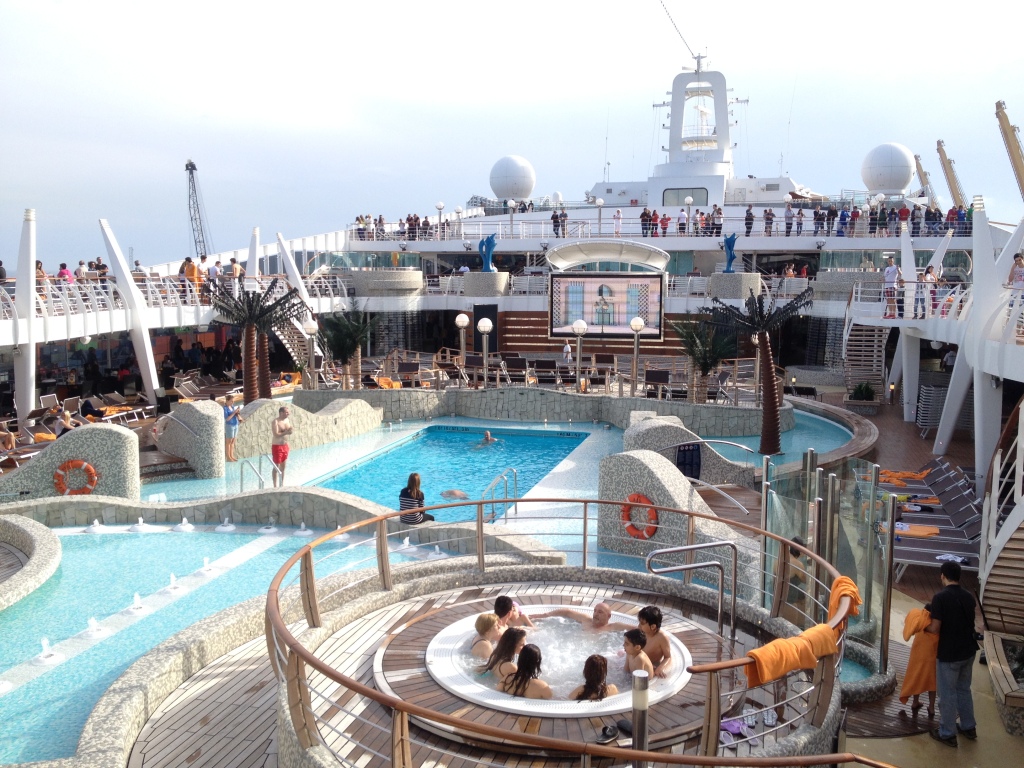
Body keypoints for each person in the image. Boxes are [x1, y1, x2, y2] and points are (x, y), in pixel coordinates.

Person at [926, 561, 978, 747]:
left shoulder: (940, 598)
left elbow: (935, 628)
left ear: (942, 576)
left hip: (950, 654)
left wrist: (921, 625)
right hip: (969, 651)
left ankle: (947, 733)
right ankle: (968, 727)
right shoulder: (968, 597)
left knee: (947, 694)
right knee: (964, 689)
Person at [899, 602, 937, 717]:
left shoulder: (920, 623)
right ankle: (931, 707)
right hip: (931, 658)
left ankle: (915, 702)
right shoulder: (935, 629)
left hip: (917, 656)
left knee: (917, 678)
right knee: (932, 683)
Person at [533, 602, 633, 632]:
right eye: (595, 611)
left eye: (600, 612)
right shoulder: (586, 620)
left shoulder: (613, 627)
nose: (595, 614)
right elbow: (566, 612)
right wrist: (544, 615)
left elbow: (638, 629)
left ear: (609, 616)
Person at [637, 605, 671, 678]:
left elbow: (668, 657)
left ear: (653, 627)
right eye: (639, 622)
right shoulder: (642, 632)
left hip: (651, 665)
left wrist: (660, 668)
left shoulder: (661, 638)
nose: (639, 625)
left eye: (642, 623)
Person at [271, 406, 292, 487]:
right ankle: (275, 486)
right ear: (281, 413)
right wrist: (286, 432)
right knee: (276, 466)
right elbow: (276, 434)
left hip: (285, 446)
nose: (288, 414)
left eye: (288, 412)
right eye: (286, 412)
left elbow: (289, 432)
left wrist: (290, 431)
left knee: (283, 466)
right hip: (277, 446)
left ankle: (281, 484)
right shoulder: (275, 422)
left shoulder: (287, 420)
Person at [222, 393, 243, 462]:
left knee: (233, 441)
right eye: (231, 401)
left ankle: (231, 456)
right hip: (229, 425)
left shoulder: (233, 407)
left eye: (233, 401)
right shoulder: (225, 408)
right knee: (229, 441)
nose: (232, 402)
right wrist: (234, 412)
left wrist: (237, 413)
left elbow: (235, 415)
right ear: (227, 401)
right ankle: (228, 457)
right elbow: (227, 419)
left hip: (235, 424)